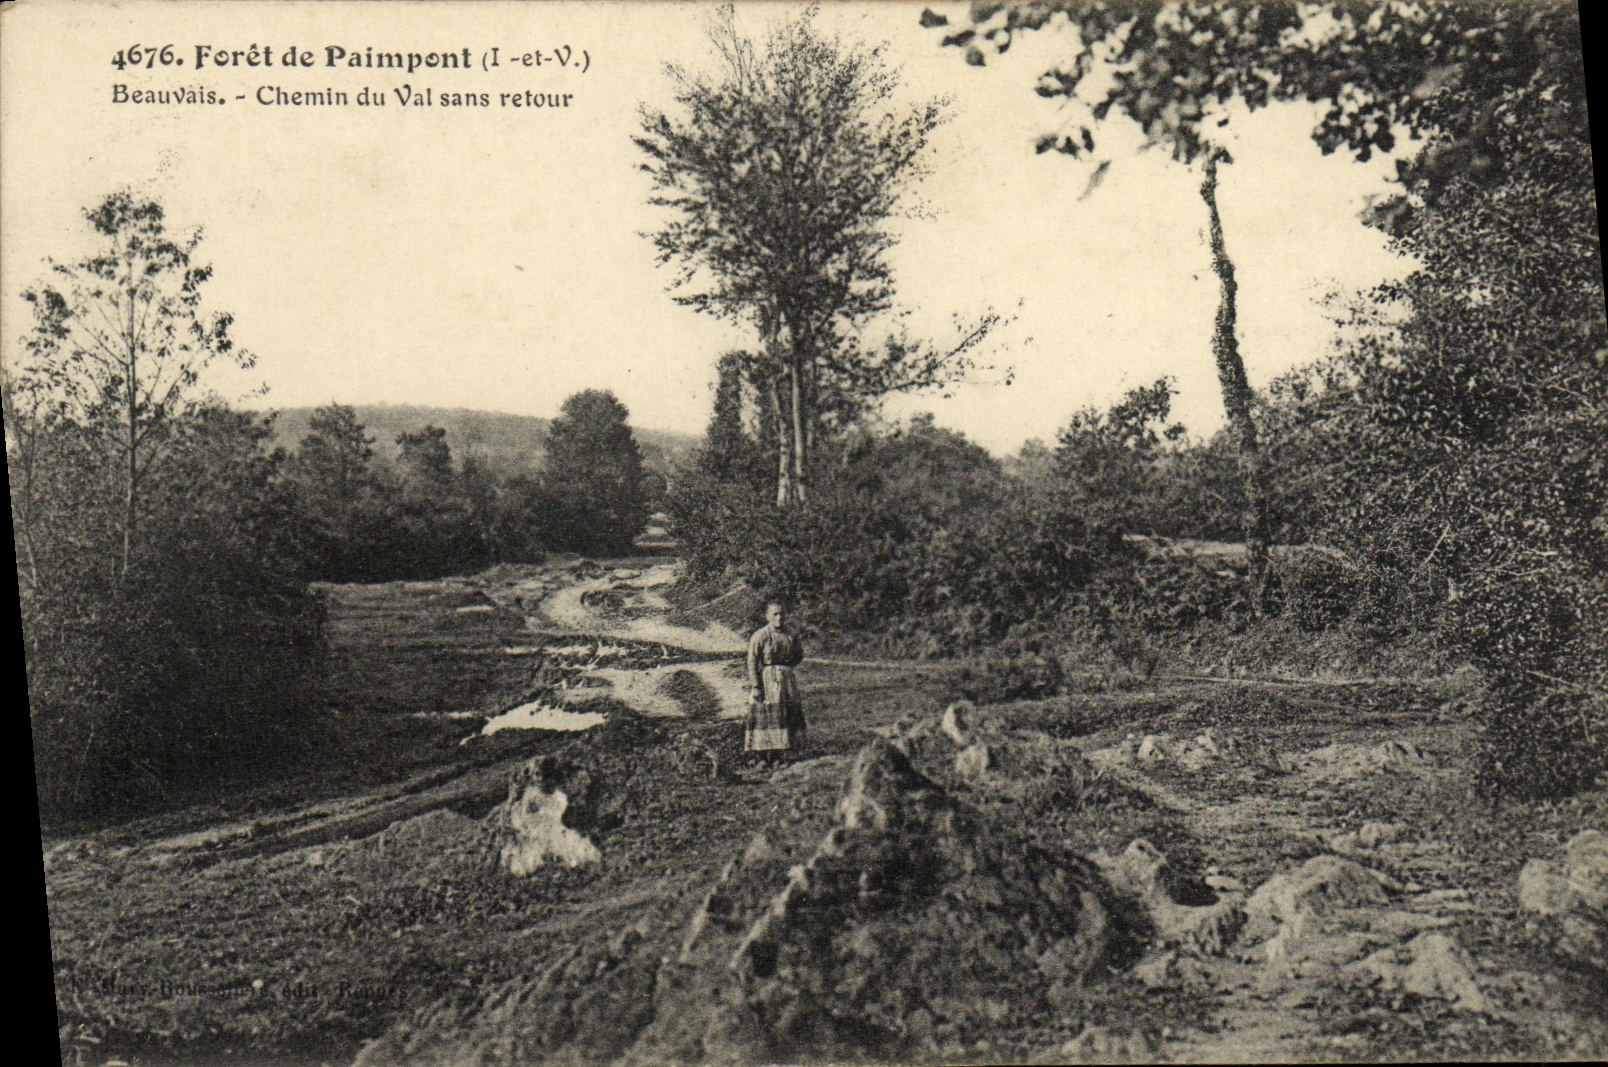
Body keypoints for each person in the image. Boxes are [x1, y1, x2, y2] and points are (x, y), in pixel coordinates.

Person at [745, 600, 805, 768]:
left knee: (785, 715)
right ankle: (761, 757)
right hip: (767, 681)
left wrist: (786, 669)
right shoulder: (760, 635)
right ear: (767, 617)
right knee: (764, 716)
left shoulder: (790, 635)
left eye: (781, 614)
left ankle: (781, 755)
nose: (779, 618)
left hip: (785, 680)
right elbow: (752, 660)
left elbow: (799, 654)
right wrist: (756, 685)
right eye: (775, 614)